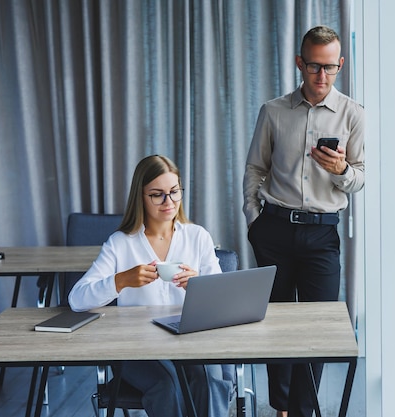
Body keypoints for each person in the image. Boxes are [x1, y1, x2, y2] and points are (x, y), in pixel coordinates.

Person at [242, 25, 365, 417]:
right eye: (314, 66)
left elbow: (360, 178)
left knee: (317, 329)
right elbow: (254, 169)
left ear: (340, 65)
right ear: (300, 63)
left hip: (322, 234)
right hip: (274, 230)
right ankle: (280, 408)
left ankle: (303, 409)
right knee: (274, 325)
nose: (322, 76)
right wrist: (253, 222)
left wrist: (342, 168)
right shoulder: (273, 111)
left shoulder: (353, 114)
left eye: (330, 68)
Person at [69, 155, 234, 417]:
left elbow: (223, 302)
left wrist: (199, 287)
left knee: (209, 380)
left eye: (174, 192)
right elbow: (77, 300)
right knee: (167, 385)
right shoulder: (120, 243)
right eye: (158, 195)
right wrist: (121, 281)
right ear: (141, 197)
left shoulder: (198, 236)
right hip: (136, 344)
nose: (169, 202)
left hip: (190, 338)